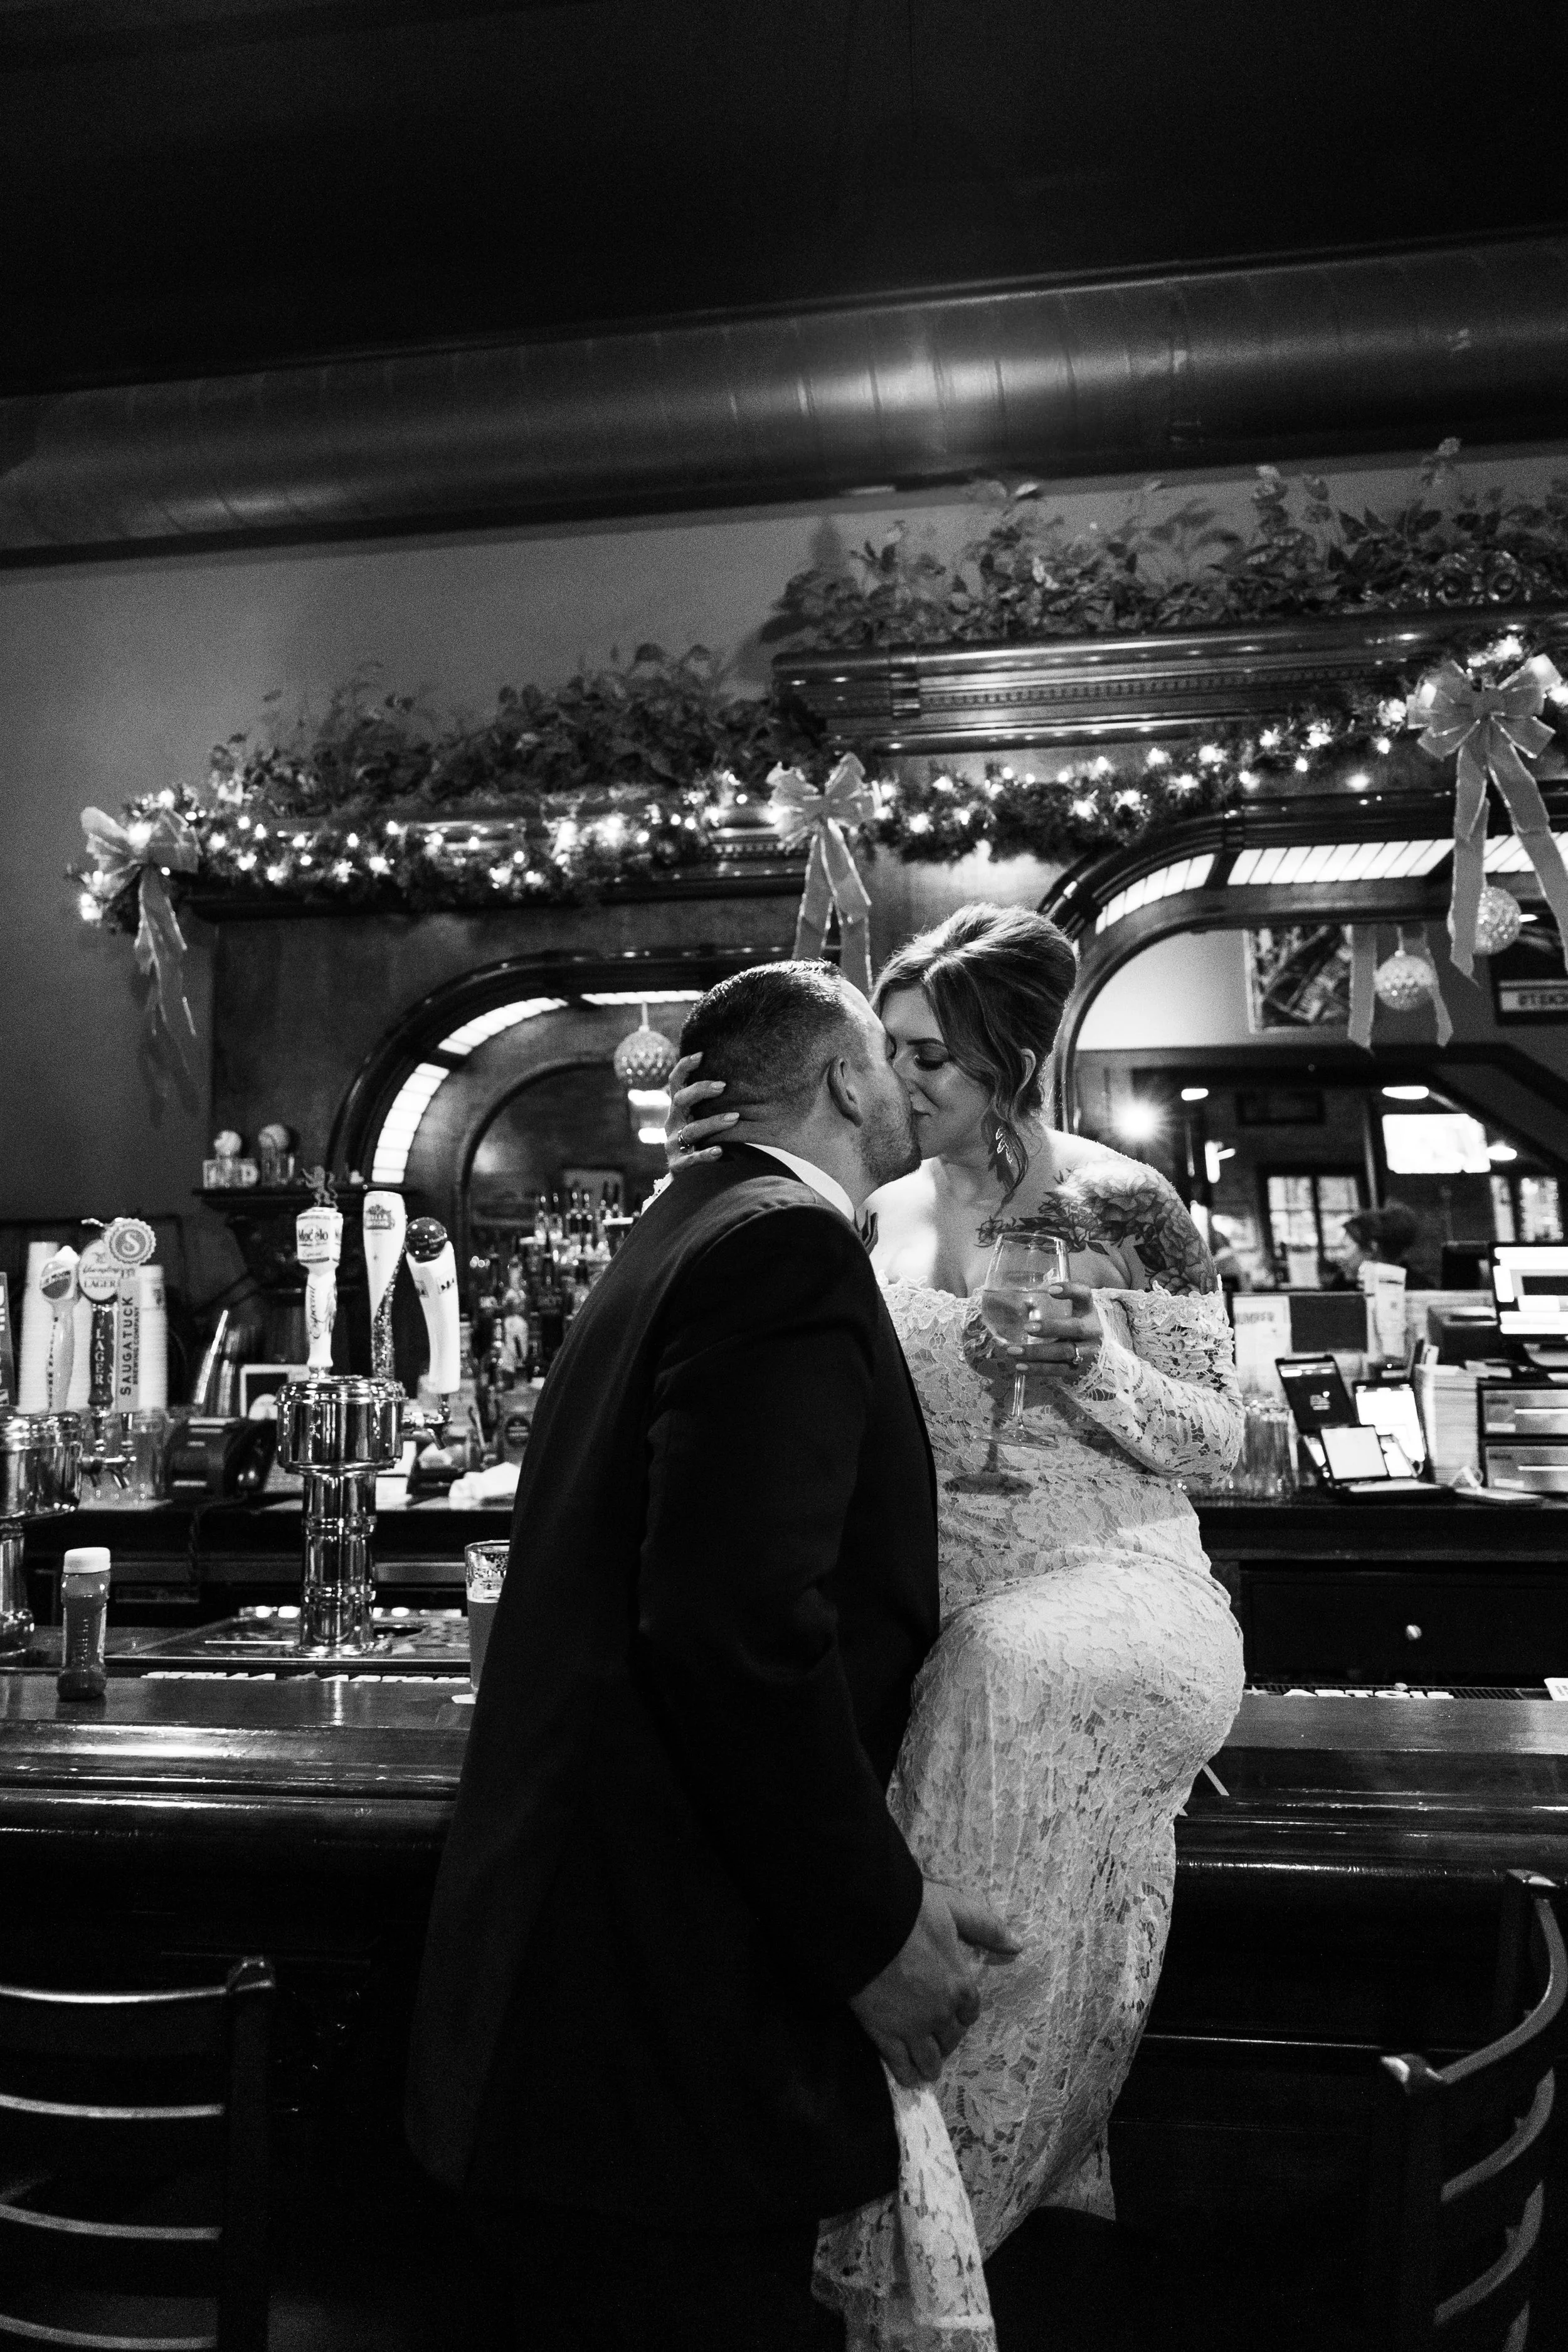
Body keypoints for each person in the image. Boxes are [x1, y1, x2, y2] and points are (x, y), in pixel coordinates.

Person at [404, 960, 1020, 2352]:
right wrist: (868, 1927)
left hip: (574, 1999)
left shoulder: (679, 1226)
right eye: (889, 1058)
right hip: (659, 2009)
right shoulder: (782, 1247)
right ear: (844, 1082)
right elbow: (735, 1627)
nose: (906, 1086)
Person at [667, 904, 1246, 2343]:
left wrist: (1101, 1371)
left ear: (1008, 1065)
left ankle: (950, 2229)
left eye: (931, 1058)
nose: (897, 1081)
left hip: (1109, 1586)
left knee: (998, 1674)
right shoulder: (853, 1212)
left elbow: (1238, 1439)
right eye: (888, 1051)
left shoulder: (1123, 1207)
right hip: (930, 1606)